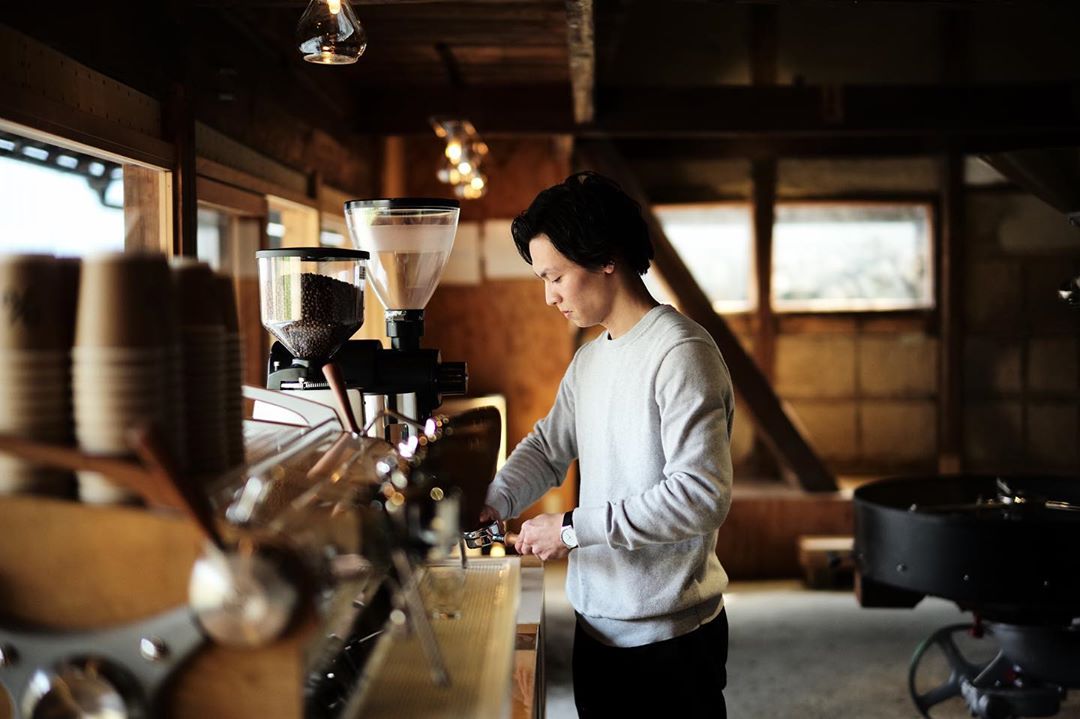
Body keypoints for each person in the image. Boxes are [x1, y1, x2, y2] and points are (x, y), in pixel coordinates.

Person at [481, 171, 734, 717]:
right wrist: (493, 501)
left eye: (555, 277)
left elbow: (700, 496)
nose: (548, 297)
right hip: (596, 628)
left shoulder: (681, 353)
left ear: (605, 258)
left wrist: (572, 529)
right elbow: (548, 447)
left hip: (670, 641)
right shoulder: (590, 359)